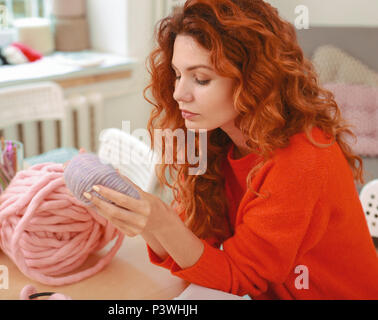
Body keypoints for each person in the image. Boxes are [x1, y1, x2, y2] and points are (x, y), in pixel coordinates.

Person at [81, 0, 378, 299]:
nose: (178, 93)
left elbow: (241, 276)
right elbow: (197, 248)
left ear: (254, 80)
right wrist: (145, 222)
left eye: (201, 79)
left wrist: (161, 220)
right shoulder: (213, 140)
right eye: (177, 74)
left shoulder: (303, 159)